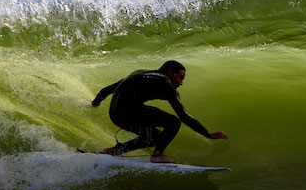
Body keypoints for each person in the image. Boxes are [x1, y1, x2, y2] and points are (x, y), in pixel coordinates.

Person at [91, 60, 228, 163]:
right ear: (170, 72)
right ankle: (157, 155)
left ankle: (115, 150)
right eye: (180, 77)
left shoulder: (139, 73)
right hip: (129, 110)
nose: (181, 83)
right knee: (174, 122)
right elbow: (183, 116)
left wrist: (95, 102)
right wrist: (208, 134)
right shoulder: (166, 83)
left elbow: (109, 89)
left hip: (115, 113)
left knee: (153, 137)